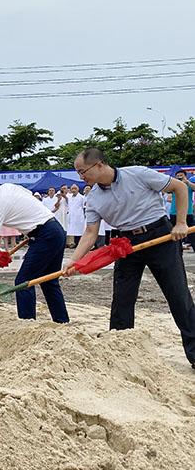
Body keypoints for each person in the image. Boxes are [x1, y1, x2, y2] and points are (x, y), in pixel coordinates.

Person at [66, 148, 195, 370]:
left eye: (82, 171)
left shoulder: (138, 174)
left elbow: (179, 187)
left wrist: (180, 223)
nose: (81, 177)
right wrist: (74, 262)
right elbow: (90, 233)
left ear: (98, 165)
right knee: (122, 299)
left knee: (178, 295)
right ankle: (119, 352)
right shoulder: (93, 198)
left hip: (160, 236)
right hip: (125, 243)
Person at [0, 182, 69, 323]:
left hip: (46, 235)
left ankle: (27, 323)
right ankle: (62, 321)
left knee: (23, 282)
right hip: (55, 230)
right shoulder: (6, 187)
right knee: (49, 282)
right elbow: (26, 199)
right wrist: (28, 230)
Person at [168, 168, 195, 252]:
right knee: (175, 235)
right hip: (174, 213)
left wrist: (186, 182)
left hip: (188, 213)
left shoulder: (189, 185)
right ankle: (178, 252)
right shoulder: (174, 186)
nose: (179, 177)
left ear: (185, 177)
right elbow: (167, 195)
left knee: (192, 234)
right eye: (178, 176)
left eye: (181, 176)